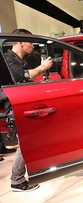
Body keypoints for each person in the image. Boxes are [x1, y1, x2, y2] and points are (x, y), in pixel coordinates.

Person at [4, 28, 52, 192]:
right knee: (25, 142)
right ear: (20, 42)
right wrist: (42, 68)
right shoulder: (8, 59)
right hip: (14, 106)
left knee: (28, 141)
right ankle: (16, 181)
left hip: (21, 103)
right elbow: (20, 77)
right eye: (30, 42)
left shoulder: (21, 59)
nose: (32, 46)